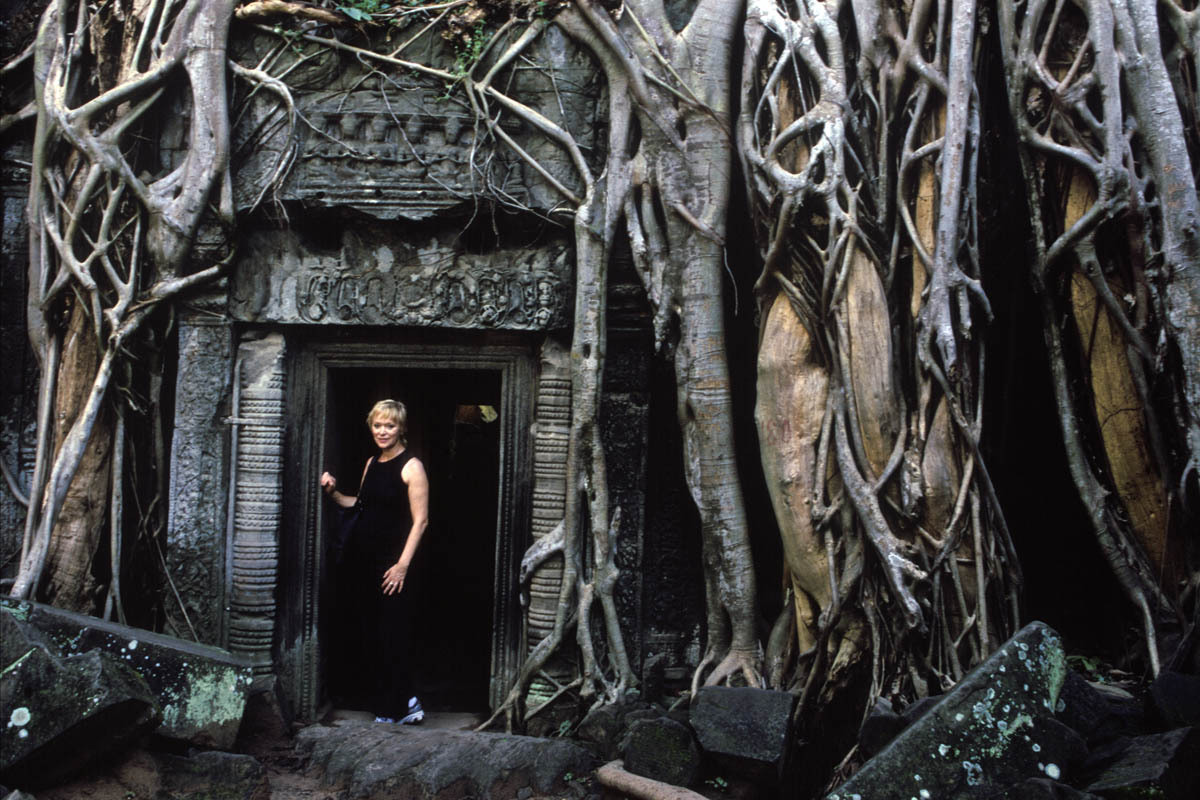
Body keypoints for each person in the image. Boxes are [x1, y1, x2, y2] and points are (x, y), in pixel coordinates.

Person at [320, 399, 429, 724]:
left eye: (390, 426)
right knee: (372, 634)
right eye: (378, 425)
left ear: (401, 429)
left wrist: (402, 566)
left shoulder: (412, 467)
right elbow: (362, 505)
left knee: (391, 634)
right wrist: (334, 493)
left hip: (394, 565)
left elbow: (421, 521)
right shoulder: (372, 463)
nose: (383, 431)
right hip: (365, 561)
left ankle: (395, 709)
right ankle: (406, 701)